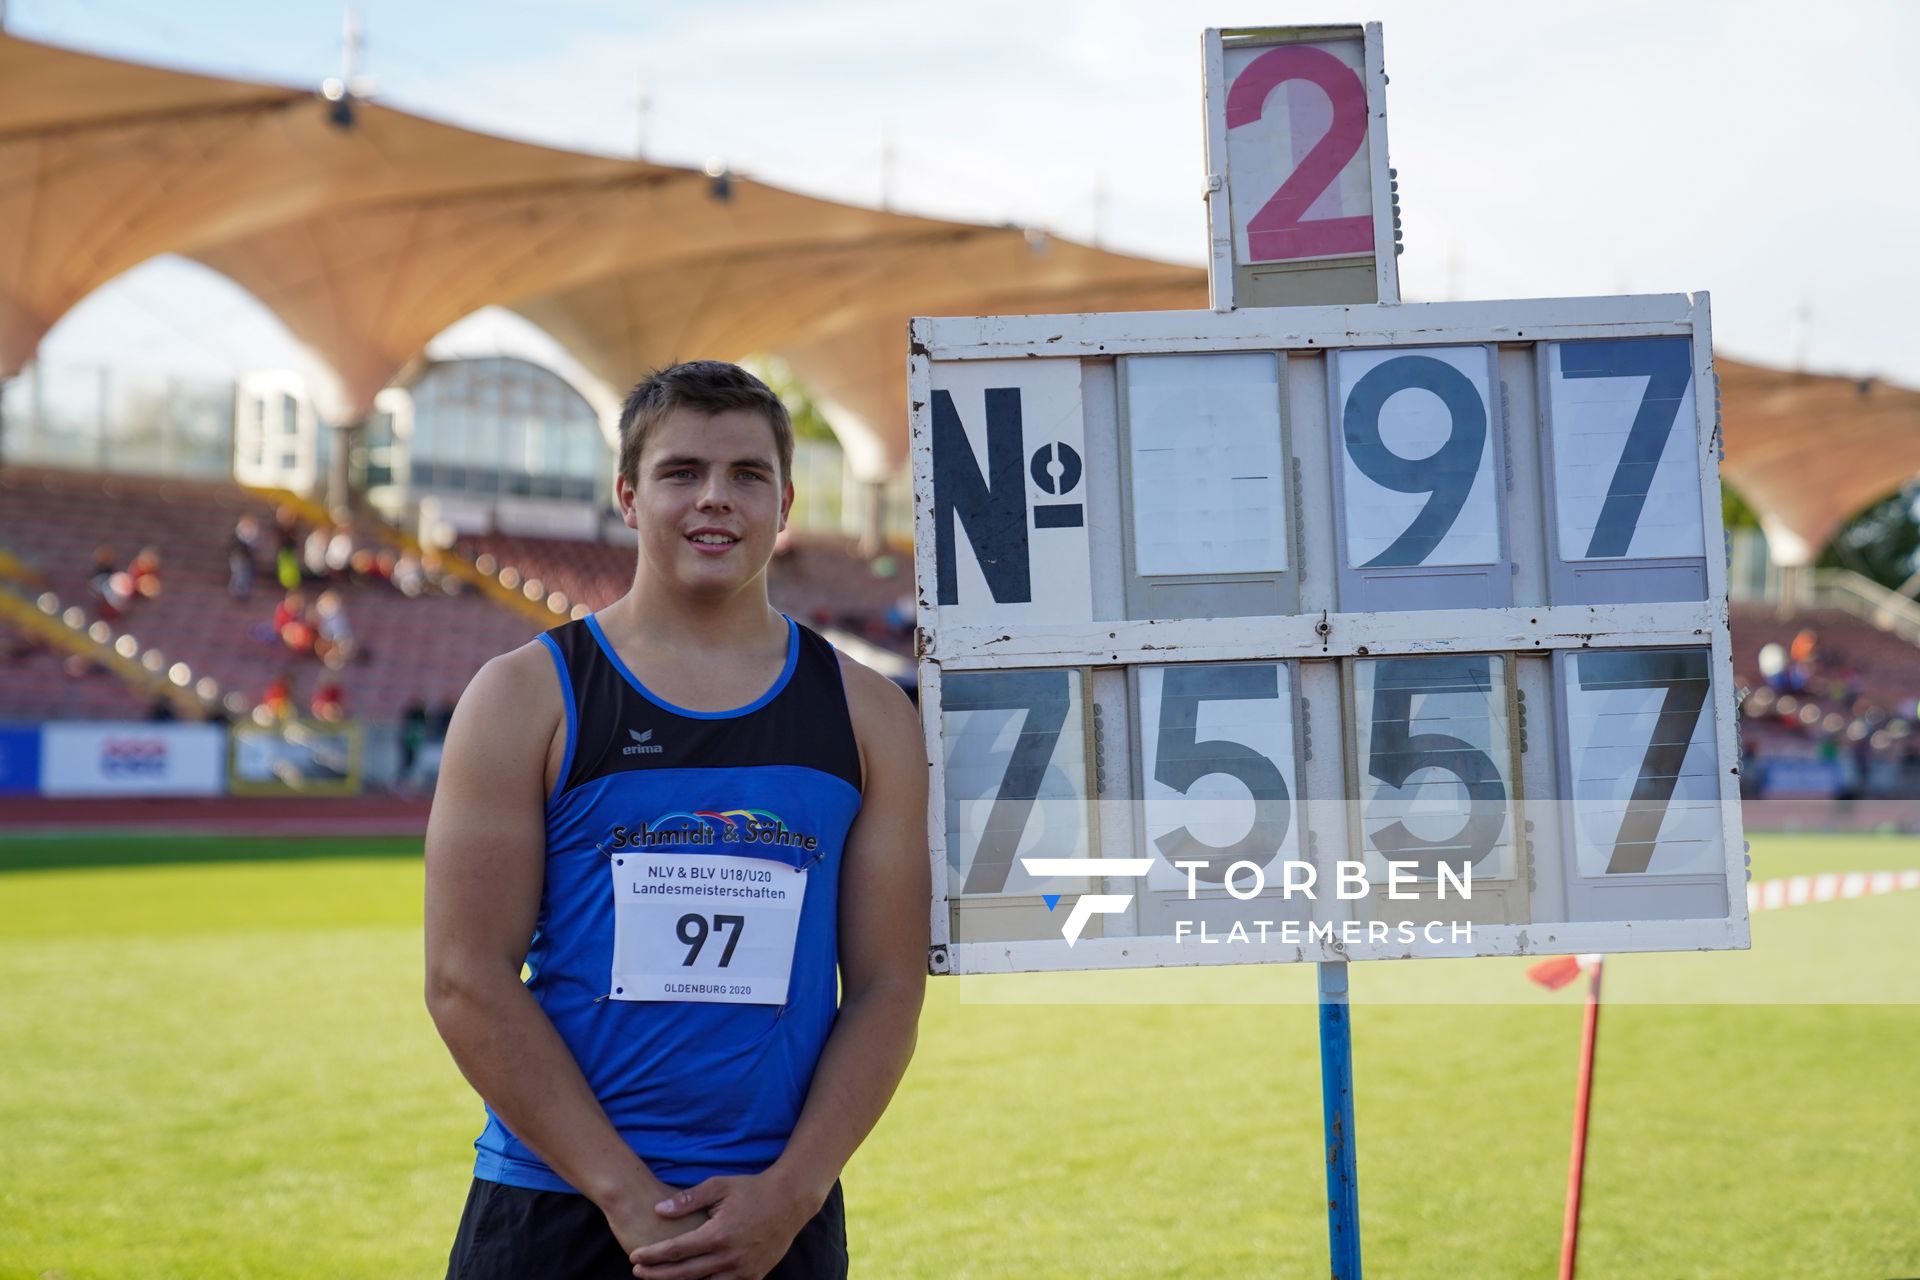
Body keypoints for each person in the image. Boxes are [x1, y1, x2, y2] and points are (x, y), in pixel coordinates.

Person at [425, 360, 928, 1280]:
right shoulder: (524, 698)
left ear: (785, 505)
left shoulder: (868, 717)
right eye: (681, 472)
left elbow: (891, 987)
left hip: (773, 1216)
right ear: (628, 495)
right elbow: (465, 978)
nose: (715, 500)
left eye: (748, 476)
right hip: (556, 1208)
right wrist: (625, 1196)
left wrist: (795, 1191)